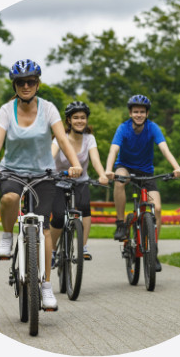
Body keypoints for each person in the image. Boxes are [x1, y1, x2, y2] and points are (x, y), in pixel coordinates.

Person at [0, 59, 82, 310]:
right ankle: (6, 237)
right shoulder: (6, 110)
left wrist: (73, 163)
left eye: (30, 81)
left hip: (43, 174)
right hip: (11, 171)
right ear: (14, 85)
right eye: (21, 82)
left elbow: (62, 138)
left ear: (37, 84)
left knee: (44, 227)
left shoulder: (49, 109)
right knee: (9, 199)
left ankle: (46, 286)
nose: (26, 85)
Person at [105, 94, 180, 271]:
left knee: (158, 209)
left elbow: (164, 148)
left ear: (147, 114)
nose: (138, 115)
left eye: (142, 112)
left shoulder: (153, 128)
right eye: (135, 112)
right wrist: (109, 170)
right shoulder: (123, 128)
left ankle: (153, 251)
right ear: (130, 113)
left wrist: (176, 167)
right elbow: (113, 150)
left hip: (146, 173)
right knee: (119, 182)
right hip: (125, 167)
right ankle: (120, 224)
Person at [50, 101, 109, 263]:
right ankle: (53, 250)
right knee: (59, 216)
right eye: (75, 117)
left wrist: (102, 175)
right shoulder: (60, 139)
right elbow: (51, 156)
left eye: (83, 118)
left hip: (80, 182)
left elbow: (95, 160)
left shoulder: (89, 139)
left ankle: (82, 247)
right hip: (58, 182)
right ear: (68, 120)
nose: (80, 121)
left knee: (84, 208)